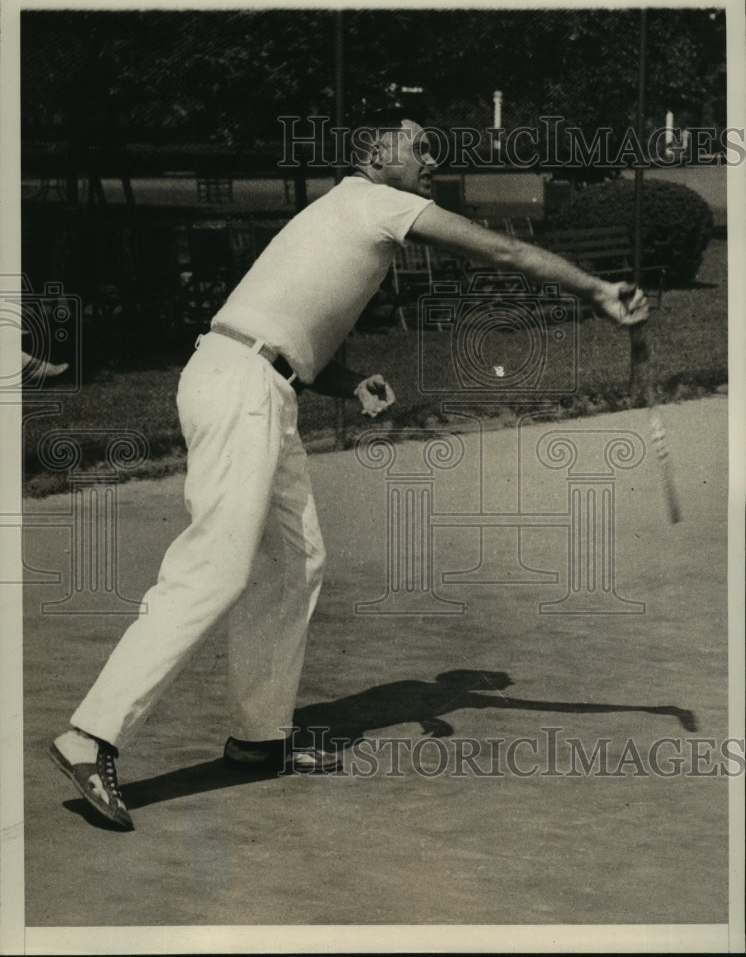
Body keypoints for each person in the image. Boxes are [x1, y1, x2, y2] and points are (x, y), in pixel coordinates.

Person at [49, 114, 649, 830]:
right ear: (376, 156)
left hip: (260, 385)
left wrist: (351, 379)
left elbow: (289, 336)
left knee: (296, 562)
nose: (431, 156)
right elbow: (505, 251)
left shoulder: (348, 213)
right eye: (417, 145)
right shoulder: (376, 202)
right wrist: (595, 289)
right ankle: (91, 735)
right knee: (216, 566)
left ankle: (258, 738)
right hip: (239, 387)